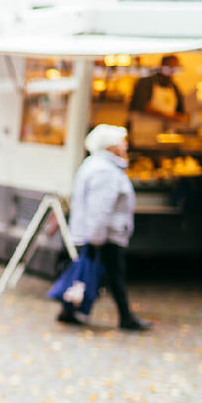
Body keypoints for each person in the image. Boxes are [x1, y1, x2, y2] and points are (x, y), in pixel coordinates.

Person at [58, 124, 150, 330]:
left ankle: (70, 309)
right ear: (111, 147)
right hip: (105, 234)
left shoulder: (97, 165)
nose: (125, 146)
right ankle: (124, 316)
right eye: (121, 143)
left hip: (101, 233)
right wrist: (96, 238)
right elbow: (100, 209)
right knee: (111, 274)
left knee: (95, 273)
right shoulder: (105, 171)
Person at [128, 55, 187, 147]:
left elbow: (181, 111)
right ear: (161, 66)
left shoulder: (174, 87)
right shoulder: (145, 83)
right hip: (141, 135)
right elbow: (142, 106)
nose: (172, 72)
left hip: (163, 137)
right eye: (169, 68)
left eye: (175, 68)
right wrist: (168, 116)